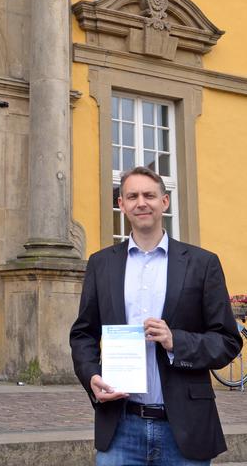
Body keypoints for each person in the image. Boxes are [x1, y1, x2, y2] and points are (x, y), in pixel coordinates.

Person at [70, 165, 242, 465]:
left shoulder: (202, 264)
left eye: (149, 195)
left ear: (164, 202)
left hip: (185, 428)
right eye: (132, 196)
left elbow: (228, 341)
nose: (141, 202)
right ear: (121, 205)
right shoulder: (101, 265)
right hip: (121, 426)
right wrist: (92, 376)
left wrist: (176, 340)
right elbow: (83, 333)